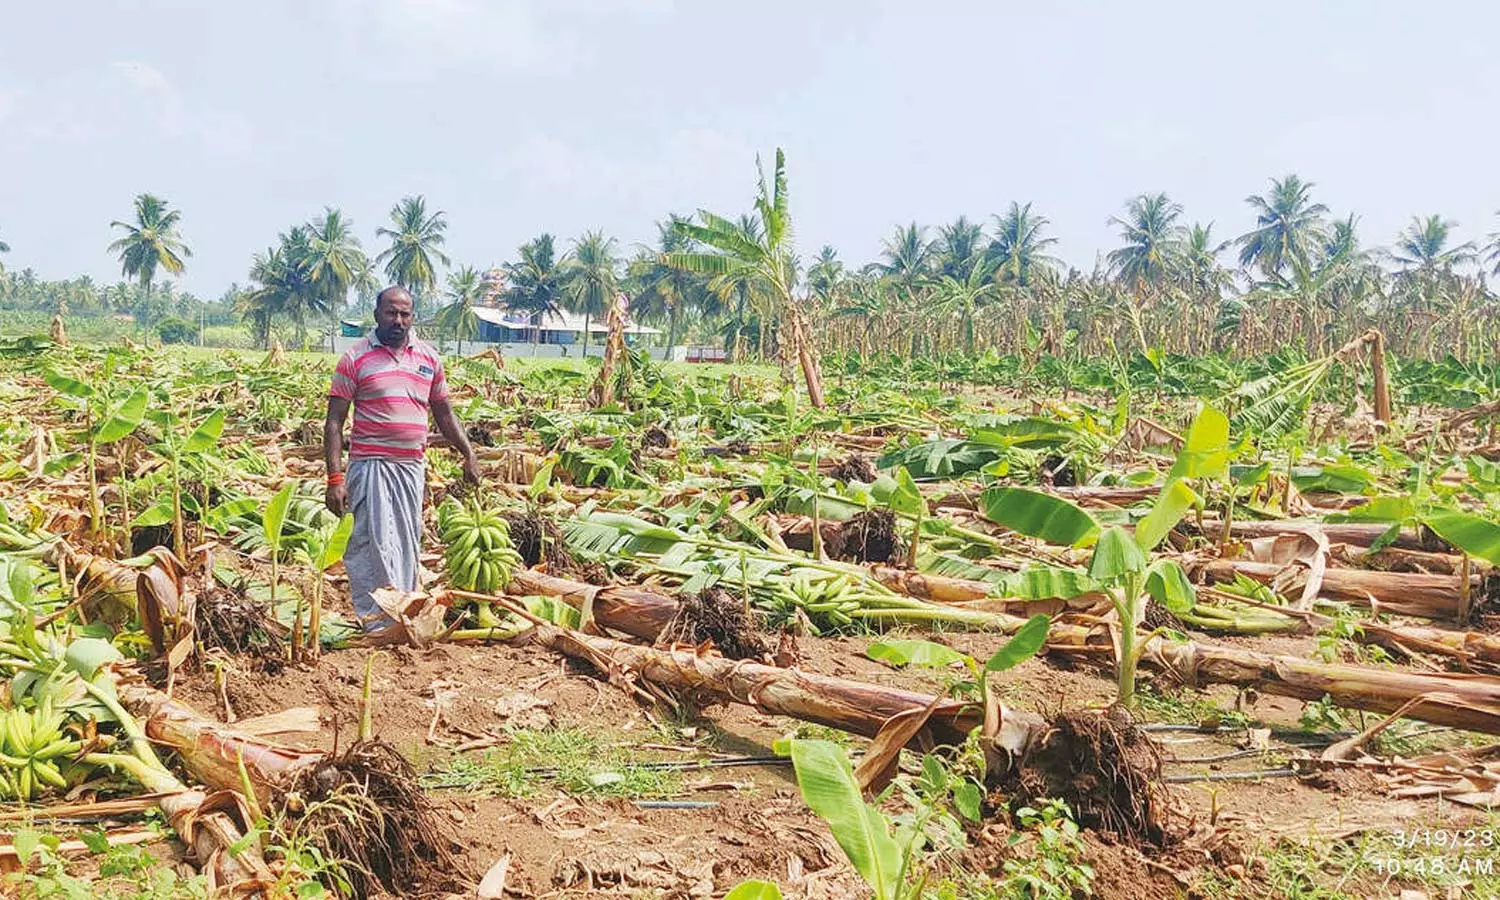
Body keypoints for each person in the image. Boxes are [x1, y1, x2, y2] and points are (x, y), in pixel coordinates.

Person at [324, 286, 480, 630]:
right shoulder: (355, 358)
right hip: (370, 466)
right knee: (370, 544)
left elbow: (444, 413)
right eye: (391, 313)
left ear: (413, 317)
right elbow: (334, 422)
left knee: (407, 540)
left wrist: (468, 453)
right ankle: (377, 620)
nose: (398, 320)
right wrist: (335, 478)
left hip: (411, 468)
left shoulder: (428, 358)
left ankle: (406, 610)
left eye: (405, 314)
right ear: (377, 314)